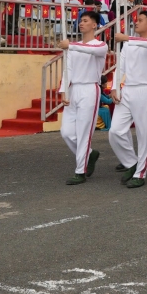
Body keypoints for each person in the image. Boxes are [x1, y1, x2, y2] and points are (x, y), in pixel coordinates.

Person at [109, 10, 147, 188]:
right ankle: (132, 163)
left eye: (140, 20)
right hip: (128, 90)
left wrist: (126, 38)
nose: (136, 23)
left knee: (144, 132)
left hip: (146, 89)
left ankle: (141, 172)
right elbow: (121, 66)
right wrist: (115, 86)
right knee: (115, 131)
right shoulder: (129, 44)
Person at [57, 11, 107, 185]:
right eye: (80, 21)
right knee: (67, 132)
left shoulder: (100, 46)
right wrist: (64, 90)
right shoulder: (74, 47)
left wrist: (70, 45)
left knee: (84, 133)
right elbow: (68, 69)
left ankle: (80, 171)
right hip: (74, 90)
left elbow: (91, 50)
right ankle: (90, 153)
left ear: (94, 25)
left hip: (90, 89)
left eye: (85, 21)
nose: (81, 23)